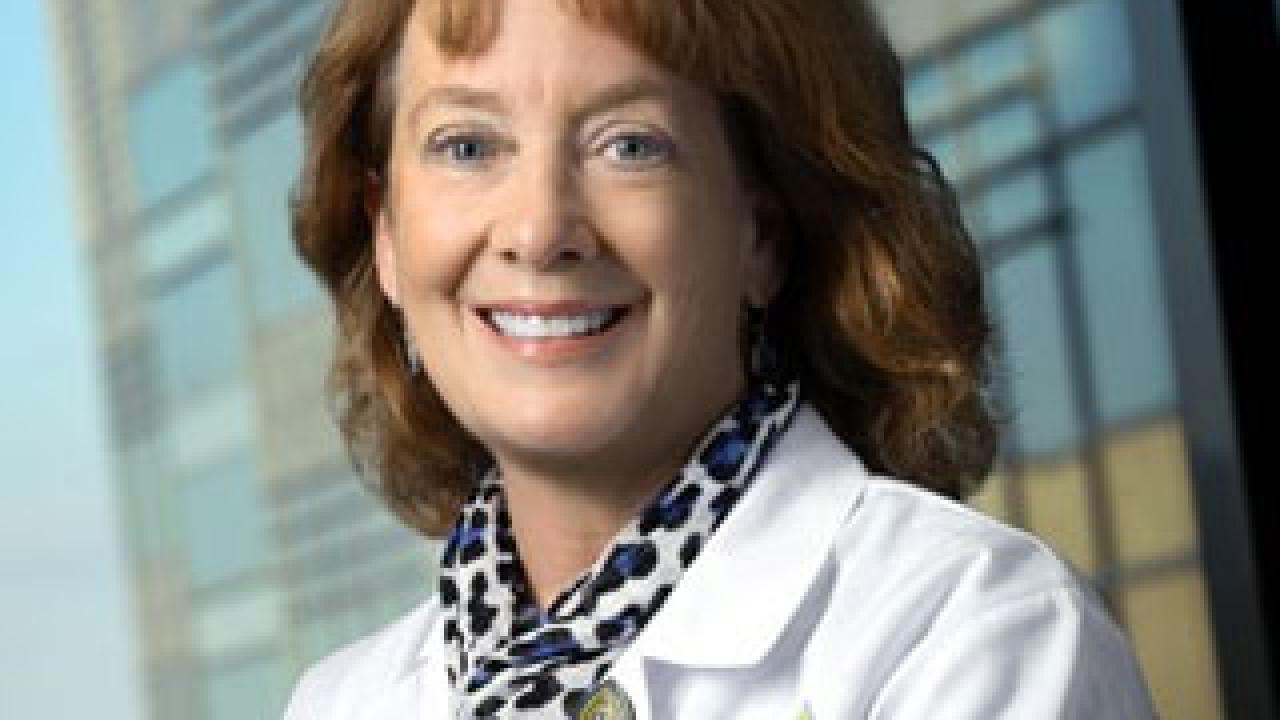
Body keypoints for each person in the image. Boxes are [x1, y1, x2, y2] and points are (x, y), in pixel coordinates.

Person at [284, 0, 1156, 717]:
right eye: (467, 146)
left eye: (630, 145)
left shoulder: (971, 632)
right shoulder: (340, 702)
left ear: (764, 233)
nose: (539, 231)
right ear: (387, 234)